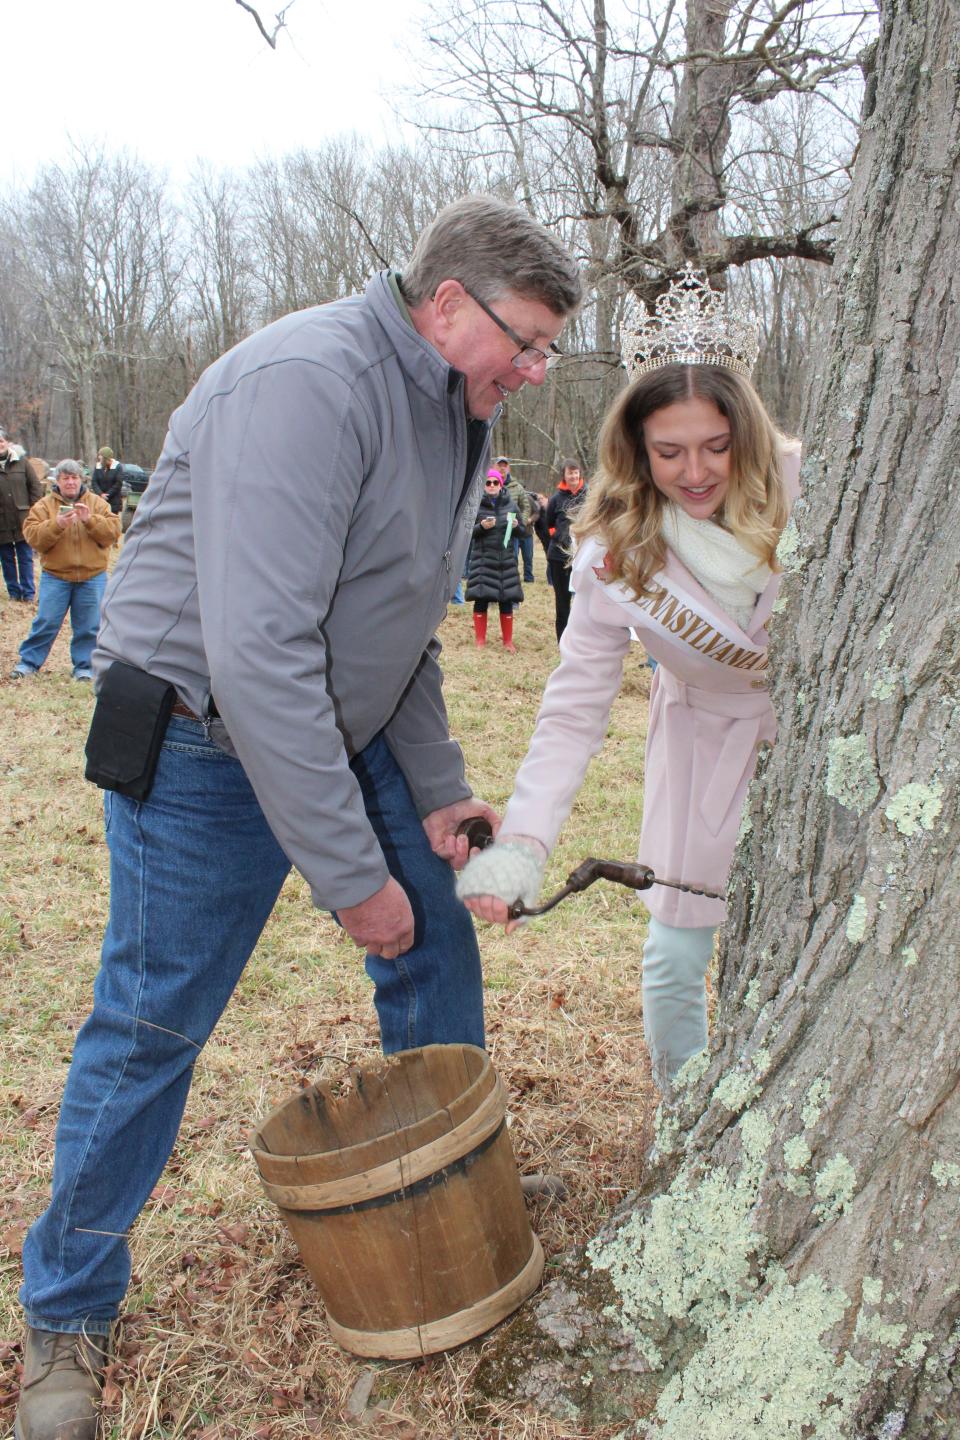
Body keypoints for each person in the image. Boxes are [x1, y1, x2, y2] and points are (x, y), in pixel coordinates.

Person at [13, 194, 580, 1440]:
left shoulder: (450, 404)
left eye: (547, 351)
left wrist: (434, 794)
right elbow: (263, 657)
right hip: (209, 740)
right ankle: (65, 1305)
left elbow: (400, 623)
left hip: (343, 721)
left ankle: (454, 1180)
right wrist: (349, 876)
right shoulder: (308, 384)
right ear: (447, 305)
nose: (536, 371)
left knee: (437, 934)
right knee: (153, 1021)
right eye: (525, 342)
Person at [456, 265, 800, 1090]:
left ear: (746, 435)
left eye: (717, 446)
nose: (696, 472)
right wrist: (522, 850)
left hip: (817, 742)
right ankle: (683, 1121)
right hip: (700, 749)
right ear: (636, 452)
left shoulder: (811, 488)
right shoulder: (616, 547)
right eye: (670, 451)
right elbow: (573, 710)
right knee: (678, 954)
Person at [11, 460, 120, 681]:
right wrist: (57, 525)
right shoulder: (43, 506)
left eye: (74, 477)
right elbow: (32, 537)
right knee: (46, 622)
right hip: (56, 577)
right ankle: (28, 663)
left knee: (89, 627)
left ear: (82, 480)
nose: (70, 482)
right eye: (65, 478)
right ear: (57, 481)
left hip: (93, 577)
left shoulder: (98, 504)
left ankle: (85, 668)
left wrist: (89, 520)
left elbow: (113, 533)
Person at [466, 468, 524, 651]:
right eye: (488, 482)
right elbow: (467, 533)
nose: (491, 485)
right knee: (481, 599)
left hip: (505, 561)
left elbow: (524, 532)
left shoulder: (511, 505)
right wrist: (481, 527)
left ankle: (508, 642)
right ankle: (480, 641)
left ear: (501, 484)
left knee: (506, 600)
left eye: (495, 482)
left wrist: (516, 526)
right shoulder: (475, 504)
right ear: (484, 485)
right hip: (482, 560)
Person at [0, 426, 45, 604]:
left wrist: (34, 509)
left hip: (23, 519)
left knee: (25, 557)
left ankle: (28, 593)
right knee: (6, 559)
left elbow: (35, 487)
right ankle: (14, 592)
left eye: (1, 441)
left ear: (7, 443)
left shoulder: (22, 462)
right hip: (1, 521)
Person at [544, 459, 587, 639]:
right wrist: (558, 536)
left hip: (584, 557)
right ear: (564, 476)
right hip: (559, 557)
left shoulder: (590, 496)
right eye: (570, 473)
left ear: (580, 474)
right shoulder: (556, 499)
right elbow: (547, 523)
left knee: (583, 602)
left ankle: (581, 639)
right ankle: (563, 641)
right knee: (562, 603)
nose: (573, 476)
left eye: (576, 472)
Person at [498, 454, 536, 582]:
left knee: (513, 556)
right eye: (500, 466)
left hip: (511, 530)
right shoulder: (490, 484)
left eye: (505, 466)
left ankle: (511, 579)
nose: (502, 468)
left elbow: (526, 507)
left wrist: (521, 523)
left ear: (508, 468)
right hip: (495, 529)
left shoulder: (517, 487)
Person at [90, 446, 124, 515]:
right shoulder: (98, 466)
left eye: (101, 455)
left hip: (113, 502)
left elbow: (118, 483)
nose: (99, 457)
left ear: (105, 458)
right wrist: (100, 494)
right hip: (99, 501)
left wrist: (107, 495)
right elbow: (94, 482)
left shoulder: (118, 467)